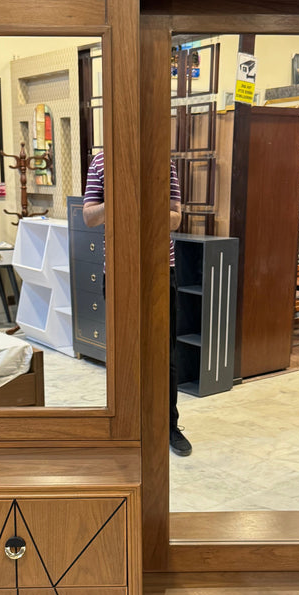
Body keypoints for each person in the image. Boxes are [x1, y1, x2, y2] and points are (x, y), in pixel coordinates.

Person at [82, 151, 192, 456]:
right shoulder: (101, 162)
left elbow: (176, 218)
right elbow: (89, 217)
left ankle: (169, 425)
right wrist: (121, 196)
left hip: (160, 269)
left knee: (165, 351)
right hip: (119, 270)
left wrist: (148, 201)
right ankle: (125, 425)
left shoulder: (163, 162)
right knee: (123, 352)